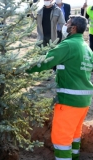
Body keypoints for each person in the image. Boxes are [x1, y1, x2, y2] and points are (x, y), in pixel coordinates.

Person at [26, 15, 93, 160]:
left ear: (73, 28)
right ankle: (74, 157)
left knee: (61, 140)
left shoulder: (68, 45)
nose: (64, 25)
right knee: (74, 134)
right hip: (84, 101)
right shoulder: (86, 47)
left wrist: (21, 68)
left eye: (67, 23)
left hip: (69, 101)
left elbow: (45, 61)